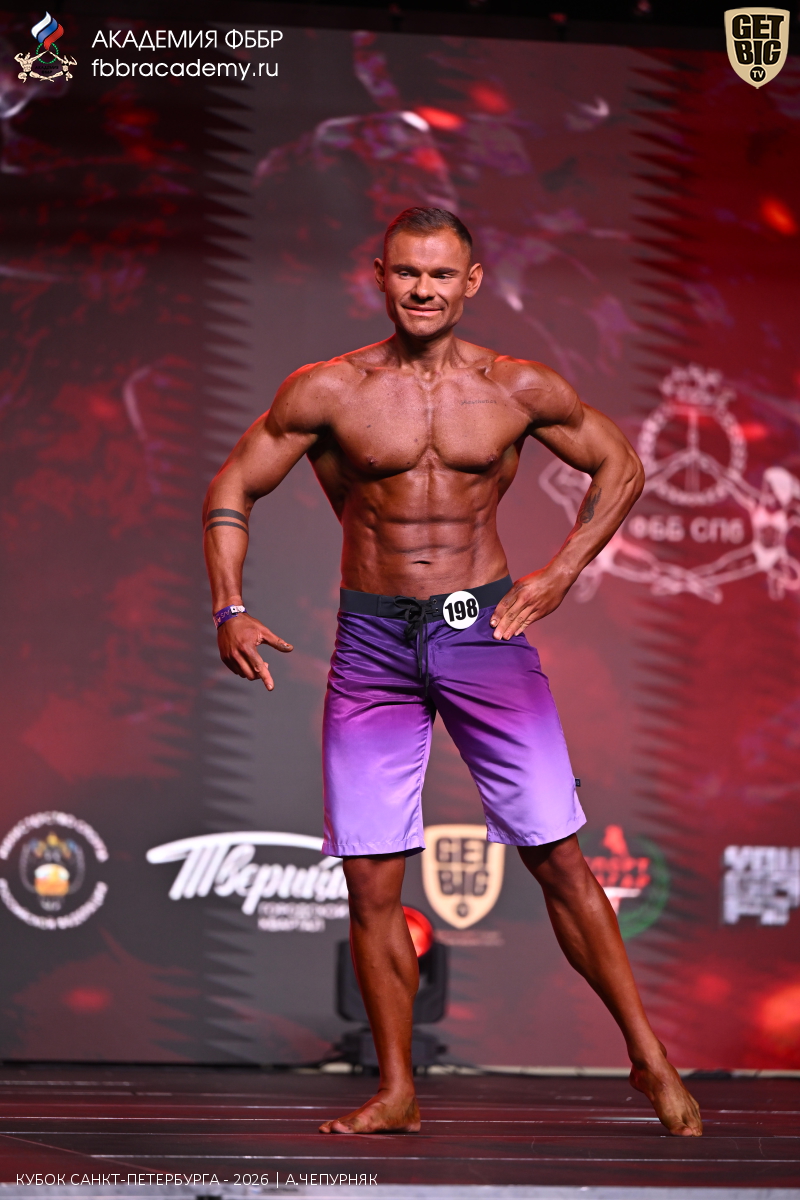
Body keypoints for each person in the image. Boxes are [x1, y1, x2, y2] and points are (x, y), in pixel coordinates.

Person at [203, 206, 703, 1139]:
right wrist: (230, 606)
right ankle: (397, 1090)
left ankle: (648, 1056)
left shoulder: (514, 385)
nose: (422, 290)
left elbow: (621, 466)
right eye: (407, 273)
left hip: (484, 631)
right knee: (371, 883)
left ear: (471, 282)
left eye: (440, 275)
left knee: (558, 855)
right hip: (373, 644)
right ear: (380, 276)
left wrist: (561, 574)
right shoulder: (329, 390)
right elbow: (233, 484)